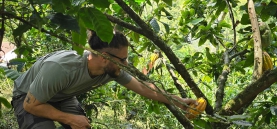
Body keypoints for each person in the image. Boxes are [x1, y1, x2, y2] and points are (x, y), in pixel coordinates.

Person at [11, 30, 197, 129]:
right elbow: (30, 106)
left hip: (62, 95)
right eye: (122, 59)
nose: (126, 63)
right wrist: (70, 119)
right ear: (103, 56)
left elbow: (144, 88)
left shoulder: (112, 69)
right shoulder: (62, 67)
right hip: (28, 97)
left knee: (83, 126)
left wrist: (179, 101)